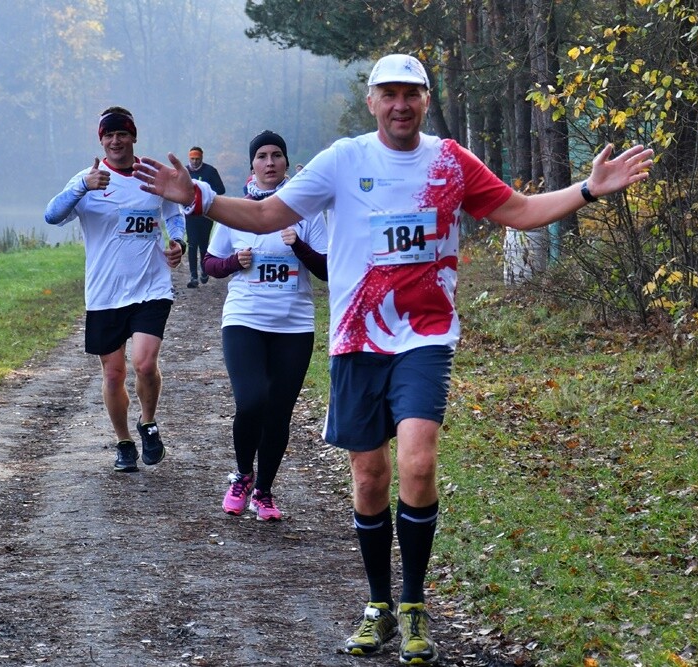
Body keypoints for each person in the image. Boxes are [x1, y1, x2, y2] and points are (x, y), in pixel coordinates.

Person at [136, 54, 654, 664]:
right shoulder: (343, 160)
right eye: (389, 94)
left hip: (424, 336)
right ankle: (378, 605)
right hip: (358, 340)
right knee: (369, 477)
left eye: (412, 93)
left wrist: (589, 189)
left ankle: (413, 605)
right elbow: (266, 215)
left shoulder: (450, 161)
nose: (401, 104)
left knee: (417, 460)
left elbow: (518, 209)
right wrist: (197, 197)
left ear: (426, 101)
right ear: (372, 101)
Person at [44, 106, 186, 474]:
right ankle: (124, 441)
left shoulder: (152, 175)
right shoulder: (88, 180)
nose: (116, 140)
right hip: (105, 292)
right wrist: (81, 188)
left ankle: (148, 422)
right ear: (101, 140)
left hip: (151, 286)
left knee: (144, 362)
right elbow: (52, 216)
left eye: (122, 133)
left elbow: (173, 213)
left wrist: (179, 242)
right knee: (113, 375)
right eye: (109, 135)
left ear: (133, 136)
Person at [203, 130, 328, 522]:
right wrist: (232, 262)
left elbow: (327, 269)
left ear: (287, 163)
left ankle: (265, 491)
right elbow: (210, 265)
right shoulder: (235, 210)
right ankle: (242, 474)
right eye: (263, 156)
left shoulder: (306, 212)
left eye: (277, 155)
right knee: (252, 400)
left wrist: (299, 247)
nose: (270, 162)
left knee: (278, 412)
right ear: (252, 165)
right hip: (244, 319)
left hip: (294, 324)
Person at [184, 147, 226, 288]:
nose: (195, 162)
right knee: (191, 243)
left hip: (206, 213)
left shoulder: (210, 171)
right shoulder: (184, 172)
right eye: (192, 159)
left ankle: (204, 271)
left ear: (202, 158)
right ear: (189, 158)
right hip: (190, 213)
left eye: (197, 159)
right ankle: (193, 276)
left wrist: (205, 192)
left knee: (203, 243)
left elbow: (221, 189)